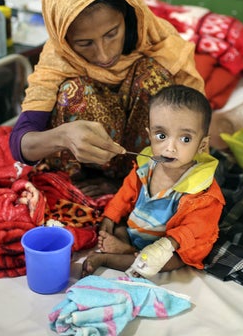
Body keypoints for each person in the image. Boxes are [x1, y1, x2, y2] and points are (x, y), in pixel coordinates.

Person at [9, 0, 205, 198]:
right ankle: (80, 183)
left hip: (146, 172)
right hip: (84, 179)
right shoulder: (58, 59)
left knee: (157, 79)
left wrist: (126, 185)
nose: (103, 54)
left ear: (127, 15)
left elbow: (192, 124)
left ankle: (138, 183)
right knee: (73, 91)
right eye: (84, 43)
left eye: (112, 33)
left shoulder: (158, 41)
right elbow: (21, 142)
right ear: (64, 39)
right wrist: (63, 136)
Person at [81, 85, 225, 278]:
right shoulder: (146, 165)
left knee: (170, 262)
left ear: (202, 145)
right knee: (120, 227)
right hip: (136, 230)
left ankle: (105, 259)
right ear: (149, 135)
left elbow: (195, 228)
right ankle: (126, 246)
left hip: (168, 246)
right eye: (162, 136)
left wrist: (164, 247)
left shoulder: (202, 191)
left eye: (185, 138)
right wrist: (110, 216)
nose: (170, 148)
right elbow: (127, 192)